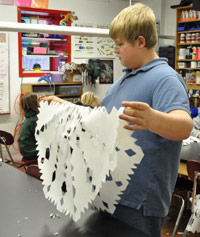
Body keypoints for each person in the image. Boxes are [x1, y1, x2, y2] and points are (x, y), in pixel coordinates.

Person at [42, 3, 192, 236]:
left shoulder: (165, 79)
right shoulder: (125, 79)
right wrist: (68, 108)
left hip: (139, 202)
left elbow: (184, 126)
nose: (115, 50)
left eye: (120, 44)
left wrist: (153, 120)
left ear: (141, 42)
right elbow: (102, 120)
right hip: (108, 192)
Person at [18, 93, 39, 160]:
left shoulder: (28, 117)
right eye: (39, 100)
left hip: (25, 150)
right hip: (30, 152)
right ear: (34, 104)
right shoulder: (34, 120)